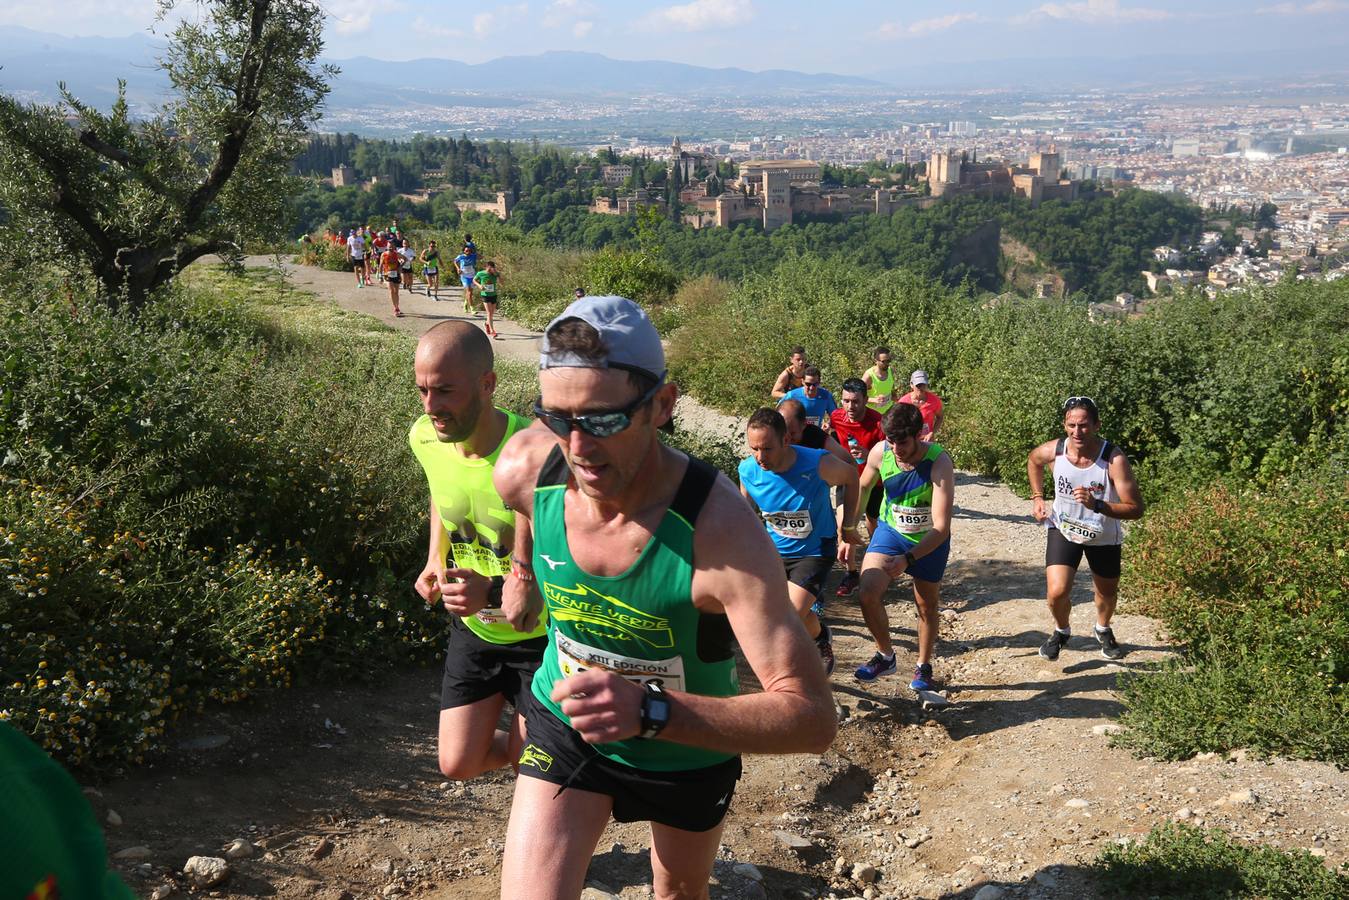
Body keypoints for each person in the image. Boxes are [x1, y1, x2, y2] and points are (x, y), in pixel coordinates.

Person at [492, 295, 836, 900]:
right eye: (557, 418)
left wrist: (651, 711)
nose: (578, 447)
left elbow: (811, 718)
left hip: (685, 751)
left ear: (662, 405)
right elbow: (528, 506)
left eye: (602, 420)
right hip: (567, 726)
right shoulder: (524, 470)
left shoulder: (721, 533)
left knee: (677, 892)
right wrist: (521, 569)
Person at [410, 322, 550, 781]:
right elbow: (441, 490)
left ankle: (557, 751)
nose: (431, 406)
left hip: (539, 638)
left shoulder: (531, 451)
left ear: (487, 384)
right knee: (457, 764)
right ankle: (542, 748)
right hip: (475, 632)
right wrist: (436, 556)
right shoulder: (425, 437)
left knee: (533, 765)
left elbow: (566, 556)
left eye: (445, 391)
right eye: (423, 390)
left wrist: (491, 589)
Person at [739, 408, 857, 675]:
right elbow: (745, 514)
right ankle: (820, 637)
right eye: (754, 449)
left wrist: (848, 525)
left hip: (815, 551)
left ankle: (797, 670)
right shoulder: (747, 470)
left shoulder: (817, 463)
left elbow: (852, 477)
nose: (760, 457)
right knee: (775, 612)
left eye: (767, 449)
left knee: (787, 614)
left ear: (786, 440)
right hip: (774, 552)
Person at [1027, 396, 1144, 661]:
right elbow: (1033, 460)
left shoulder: (1113, 459)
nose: (1077, 432)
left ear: (1096, 425)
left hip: (1103, 535)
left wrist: (1098, 505)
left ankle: (1103, 628)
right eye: (1071, 425)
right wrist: (1037, 497)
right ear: (1064, 425)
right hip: (1064, 529)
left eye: (1083, 425)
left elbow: (1136, 509)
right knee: (1056, 592)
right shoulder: (1055, 451)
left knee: (1106, 593)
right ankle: (1061, 631)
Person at [853, 402, 955, 692]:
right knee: (867, 592)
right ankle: (885, 656)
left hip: (928, 540)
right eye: (891, 441)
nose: (896, 449)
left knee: (926, 605)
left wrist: (908, 559)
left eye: (903, 442)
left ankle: (924, 666)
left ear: (918, 435)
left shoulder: (939, 462)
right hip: (891, 532)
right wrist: (847, 528)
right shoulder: (881, 452)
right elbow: (863, 486)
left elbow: (941, 527)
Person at [829, 378, 886, 598]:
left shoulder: (878, 422)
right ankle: (851, 573)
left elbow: (890, 455)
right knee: (844, 525)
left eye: (855, 401)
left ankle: (878, 565)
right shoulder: (836, 417)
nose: (850, 406)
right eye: (846, 401)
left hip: (874, 483)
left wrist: (869, 454)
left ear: (865, 400)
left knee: (874, 524)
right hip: (848, 479)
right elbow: (832, 436)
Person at [779, 398, 849, 465]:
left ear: (804, 425)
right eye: (783, 434)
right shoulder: (774, 436)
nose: (787, 439)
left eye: (792, 433)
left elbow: (848, 460)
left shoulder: (815, 436)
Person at [778, 366, 837, 431]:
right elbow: (777, 415)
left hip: (816, 433)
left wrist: (828, 424)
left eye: (815, 384)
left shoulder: (826, 396)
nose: (811, 388)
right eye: (808, 384)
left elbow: (836, 416)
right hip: (794, 434)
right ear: (802, 381)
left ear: (819, 382)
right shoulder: (792, 395)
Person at [899, 370, 944, 440]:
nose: (921, 388)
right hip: (909, 441)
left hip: (927, 440)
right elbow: (897, 422)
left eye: (924, 385)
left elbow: (940, 417)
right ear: (911, 385)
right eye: (918, 385)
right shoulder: (903, 402)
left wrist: (932, 432)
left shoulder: (934, 400)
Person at [862, 346, 898, 415]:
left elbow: (891, 389)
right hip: (873, 414)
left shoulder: (890, 371)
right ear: (876, 361)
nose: (887, 364)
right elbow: (859, 396)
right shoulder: (869, 376)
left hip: (888, 412)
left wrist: (895, 397)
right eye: (883, 361)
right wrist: (874, 400)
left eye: (888, 361)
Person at [474, 260, 503, 338]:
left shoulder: (495, 274)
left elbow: (502, 283)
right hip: (485, 295)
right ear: (486, 267)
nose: (490, 270)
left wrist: (498, 275)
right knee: (489, 313)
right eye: (489, 269)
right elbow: (474, 280)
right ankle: (492, 331)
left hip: (493, 295)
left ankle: (487, 324)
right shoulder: (480, 273)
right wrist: (479, 285)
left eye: (492, 268)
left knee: (492, 313)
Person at [380, 240, 404, 317]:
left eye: (392, 246)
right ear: (387, 247)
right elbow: (380, 265)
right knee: (391, 291)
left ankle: (397, 307)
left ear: (394, 247)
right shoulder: (384, 254)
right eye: (389, 247)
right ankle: (395, 308)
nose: (390, 248)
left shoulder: (397, 254)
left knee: (396, 292)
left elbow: (405, 259)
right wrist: (380, 275)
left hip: (396, 274)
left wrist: (400, 267)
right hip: (387, 274)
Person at [455, 245, 479, 315]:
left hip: (472, 275)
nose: (468, 252)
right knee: (469, 292)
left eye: (469, 250)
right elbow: (455, 261)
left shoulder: (473, 256)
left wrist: (475, 252)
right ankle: (472, 309)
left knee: (470, 292)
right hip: (464, 276)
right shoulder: (461, 256)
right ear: (464, 251)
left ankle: (465, 303)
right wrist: (458, 268)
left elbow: (481, 257)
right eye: (466, 251)